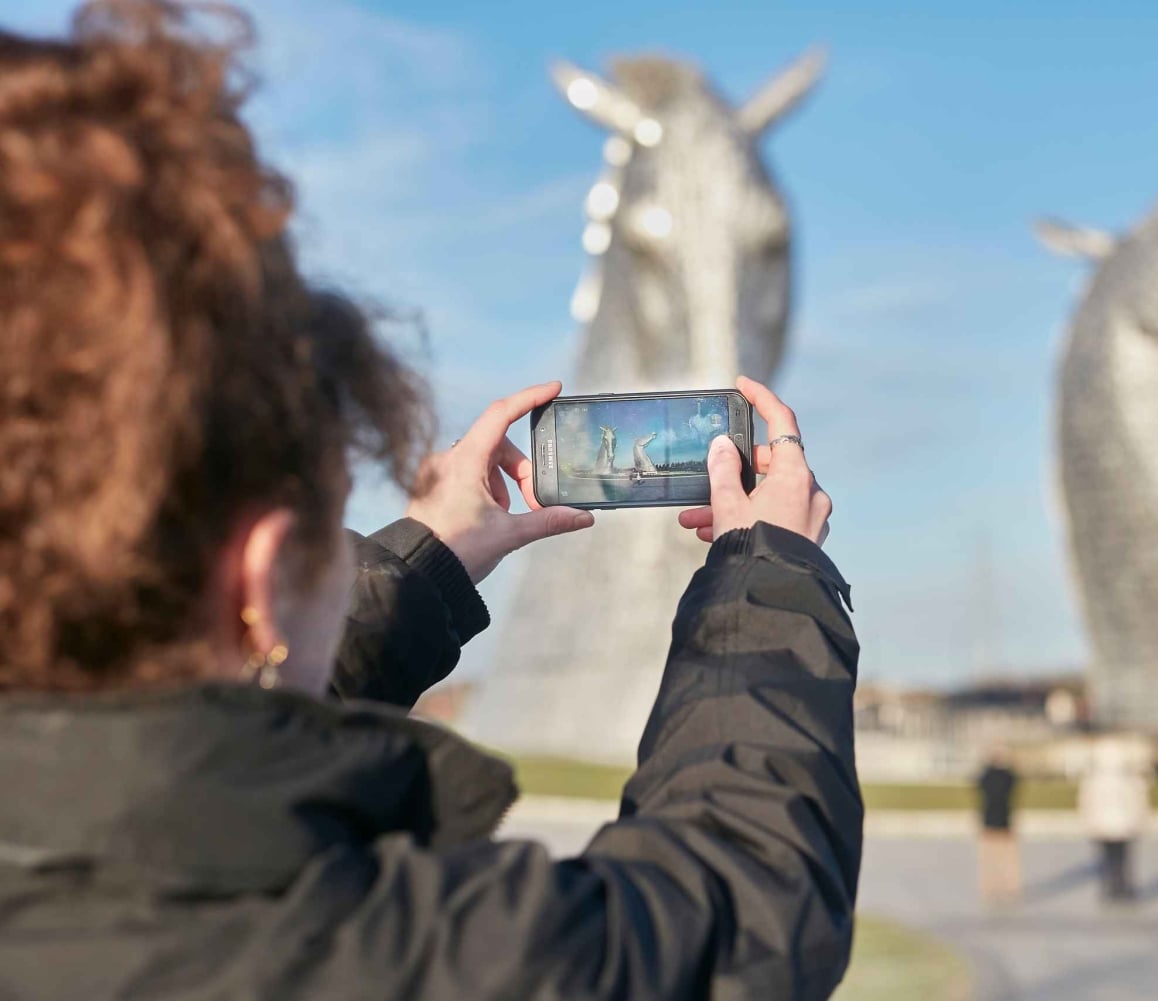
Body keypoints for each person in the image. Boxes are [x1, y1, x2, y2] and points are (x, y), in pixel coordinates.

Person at [0, 4, 858, 999]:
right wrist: (766, 584)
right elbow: (732, 910)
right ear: (262, 575)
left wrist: (423, 565)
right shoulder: (377, 952)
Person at [1077, 737, 1151, 904]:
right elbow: (1138, 801)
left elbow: (1086, 802)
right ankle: (1121, 887)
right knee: (1122, 858)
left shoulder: (1094, 779)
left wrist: (1089, 822)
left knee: (1109, 858)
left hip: (1105, 826)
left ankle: (1112, 887)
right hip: (1122, 826)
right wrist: (1140, 820)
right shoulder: (1129, 778)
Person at [975, 744, 1022, 903]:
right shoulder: (1007, 775)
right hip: (1005, 821)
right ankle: (1010, 888)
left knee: (989, 859)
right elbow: (1016, 779)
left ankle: (989, 888)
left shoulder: (987, 775)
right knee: (1007, 859)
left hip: (989, 821)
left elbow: (977, 782)